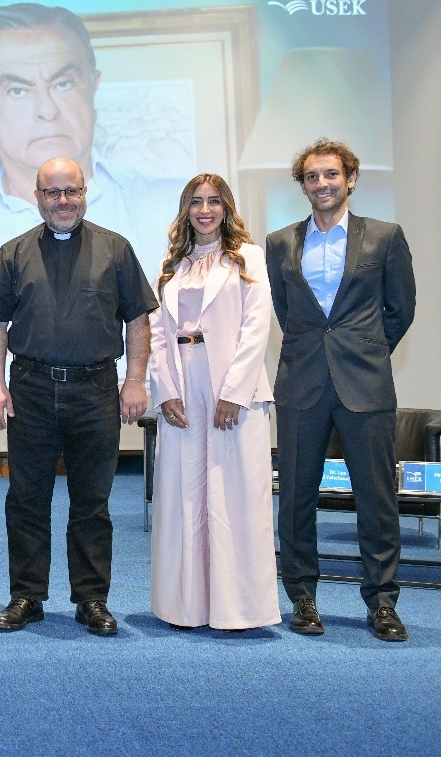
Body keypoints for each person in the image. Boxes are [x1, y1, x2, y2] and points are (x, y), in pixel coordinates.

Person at [0, 156, 156, 635]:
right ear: (37, 197)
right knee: (26, 499)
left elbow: (138, 319)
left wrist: (135, 380)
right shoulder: (14, 253)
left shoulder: (116, 249)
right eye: (52, 192)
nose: (63, 201)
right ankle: (27, 595)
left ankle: (92, 598)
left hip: (95, 391)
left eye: (71, 191)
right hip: (31, 390)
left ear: (84, 192)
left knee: (92, 502)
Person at [266, 137, 416, 642]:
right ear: (303, 186)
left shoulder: (385, 237)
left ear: (350, 179)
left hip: (365, 384)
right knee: (296, 498)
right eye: (312, 176)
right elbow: (287, 312)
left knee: (376, 498)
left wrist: (367, 349)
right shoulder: (280, 243)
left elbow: (400, 309)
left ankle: (382, 602)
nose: (322, 183)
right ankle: (302, 598)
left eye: (331, 174)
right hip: (301, 384)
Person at [148, 174, 279, 632]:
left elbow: (256, 327)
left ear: (227, 208)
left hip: (231, 386)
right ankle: (184, 607)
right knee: (183, 494)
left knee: (235, 497)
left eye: (214, 201)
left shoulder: (249, 258)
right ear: (185, 210)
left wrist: (234, 392)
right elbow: (156, 333)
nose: (205, 210)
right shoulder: (170, 263)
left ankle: (238, 609)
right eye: (196, 202)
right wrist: (164, 390)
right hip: (183, 385)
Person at [0, 2, 178, 263]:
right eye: (17, 90)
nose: (47, 110)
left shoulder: (168, 207)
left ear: (93, 88)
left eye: (63, 83)